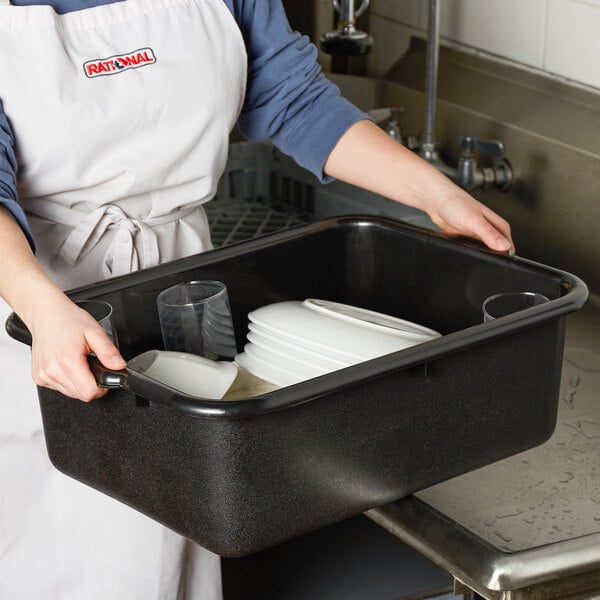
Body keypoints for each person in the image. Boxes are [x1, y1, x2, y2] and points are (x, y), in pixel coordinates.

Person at [0, 0, 514, 598]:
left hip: (177, 289)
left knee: (156, 550)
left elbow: (291, 97)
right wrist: (41, 308)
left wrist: (435, 193)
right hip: (34, 300)